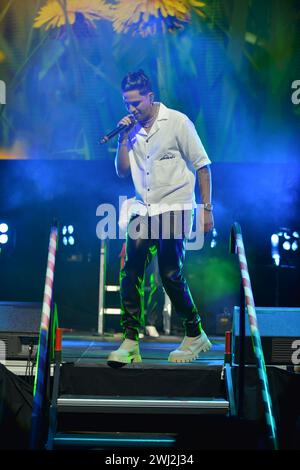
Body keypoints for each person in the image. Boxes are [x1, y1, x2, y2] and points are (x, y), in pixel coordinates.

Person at [107, 70, 214, 367]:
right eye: (127, 104)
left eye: (136, 103)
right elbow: (122, 171)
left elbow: (203, 167)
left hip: (176, 206)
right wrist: (123, 141)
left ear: (150, 96)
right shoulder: (132, 131)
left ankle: (195, 333)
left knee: (169, 273)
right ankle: (130, 340)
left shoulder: (177, 122)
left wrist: (206, 209)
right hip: (144, 207)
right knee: (130, 270)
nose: (131, 109)